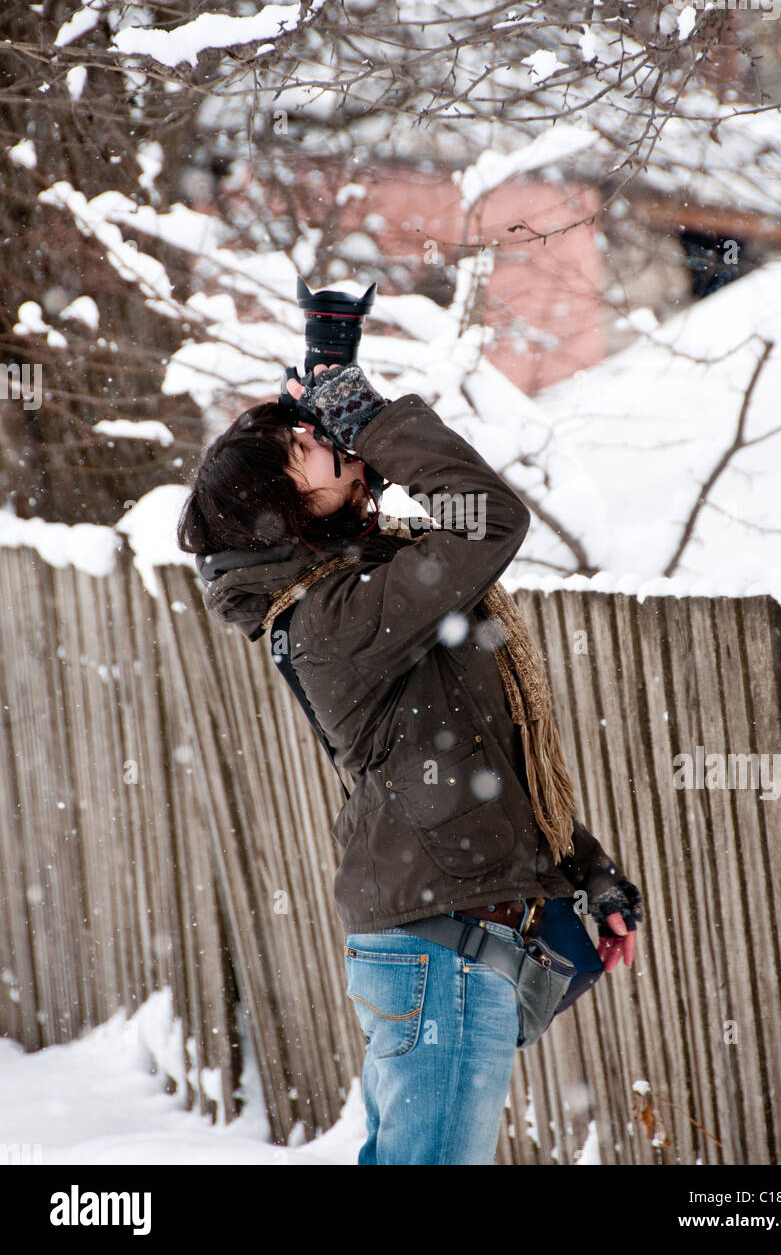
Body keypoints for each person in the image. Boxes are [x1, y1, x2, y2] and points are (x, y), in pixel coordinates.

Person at [179, 361, 644, 1165]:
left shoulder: (360, 587)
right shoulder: (335, 620)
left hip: (452, 946)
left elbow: (484, 762)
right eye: (304, 445)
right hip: (443, 957)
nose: (329, 441)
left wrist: (583, 870)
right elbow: (485, 520)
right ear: (277, 513)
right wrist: (376, 421)